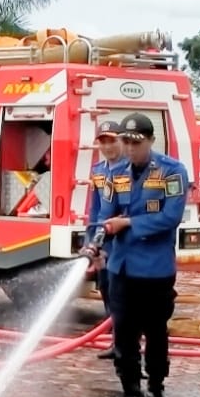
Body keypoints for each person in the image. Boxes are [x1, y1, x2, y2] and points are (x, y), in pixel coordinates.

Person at [92, 112, 188, 397]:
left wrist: (129, 222)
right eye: (127, 142)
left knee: (156, 331)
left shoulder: (172, 172)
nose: (131, 148)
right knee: (124, 332)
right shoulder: (115, 173)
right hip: (121, 268)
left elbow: (170, 217)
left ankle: (157, 388)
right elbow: (105, 214)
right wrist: (95, 244)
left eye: (137, 142)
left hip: (155, 270)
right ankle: (131, 392)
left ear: (151, 140)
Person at [85, 120, 128, 359]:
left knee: (120, 291)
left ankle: (124, 343)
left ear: (121, 140)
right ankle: (114, 339)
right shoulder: (99, 171)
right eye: (103, 141)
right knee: (105, 288)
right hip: (103, 239)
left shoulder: (129, 170)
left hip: (122, 239)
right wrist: (91, 242)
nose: (108, 146)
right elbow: (95, 208)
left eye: (112, 140)